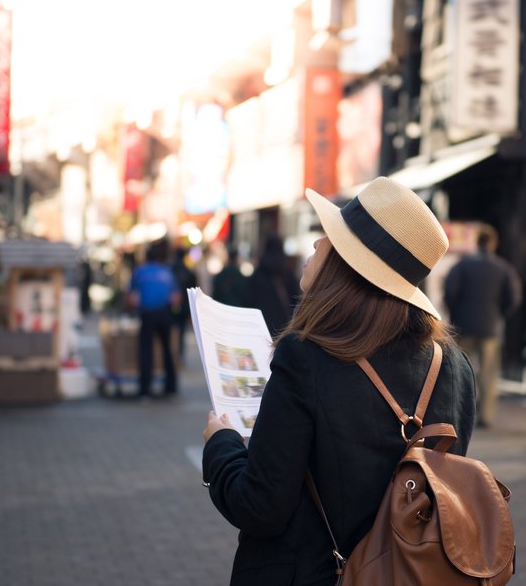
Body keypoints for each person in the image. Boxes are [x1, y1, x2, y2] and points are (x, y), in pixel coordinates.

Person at [202, 177, 476, 585]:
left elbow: (260, 506)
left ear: (349, 264)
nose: (315, 245)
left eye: (328, 236)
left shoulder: (305, 356)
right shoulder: (454, 366)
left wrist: (220, 445)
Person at [444, 223, 523, 428]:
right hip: (490, 328)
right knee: (488, 373)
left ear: (476, 242)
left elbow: (450, 292)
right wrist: (499, 315)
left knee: (462, 371)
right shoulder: (503, 268)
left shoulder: (462, 266)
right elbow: (513, 298)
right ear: (494, 243)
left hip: (463, 326)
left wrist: (456, 314)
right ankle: (485, 416)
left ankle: (461, 413)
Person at [128, 239, 180, 398]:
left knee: (146, 351)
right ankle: (171, 388)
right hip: (164, 313)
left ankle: (145, 390)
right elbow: (176, 297)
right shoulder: (166, 272)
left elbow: (132, 297)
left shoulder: (139, 271)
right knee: (167, 350)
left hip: (147, 314)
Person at [245, 233, 300, 336]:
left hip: (260, 326)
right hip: (282, 326)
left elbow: (248, 300)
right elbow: (295, 299)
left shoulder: (259, 273)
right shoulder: (287, 273)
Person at [170, 245, 198, 368]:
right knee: (180, 333)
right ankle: (179, 357)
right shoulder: (189, 272)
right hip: (184, 307)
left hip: (170, 306)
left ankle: (172, 358)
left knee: (170, 333)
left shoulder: (170, 270)